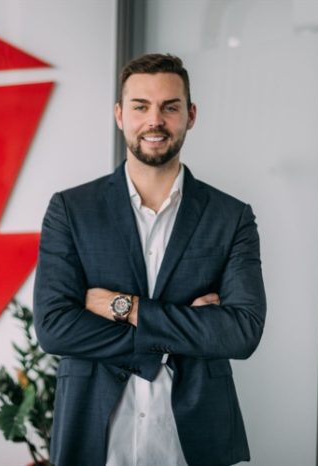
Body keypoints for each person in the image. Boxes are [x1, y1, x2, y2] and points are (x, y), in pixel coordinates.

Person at [33, 53, 267, 466]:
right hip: (95, 437)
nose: (154, 121)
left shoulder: (231, 217)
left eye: (169, 107)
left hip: (194, 442)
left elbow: (241, 332)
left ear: (190, 115)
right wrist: (189, 327)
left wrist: (125, 307)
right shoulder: (71, 210)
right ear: (120, 115)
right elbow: (54, 328)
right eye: (141, 107)